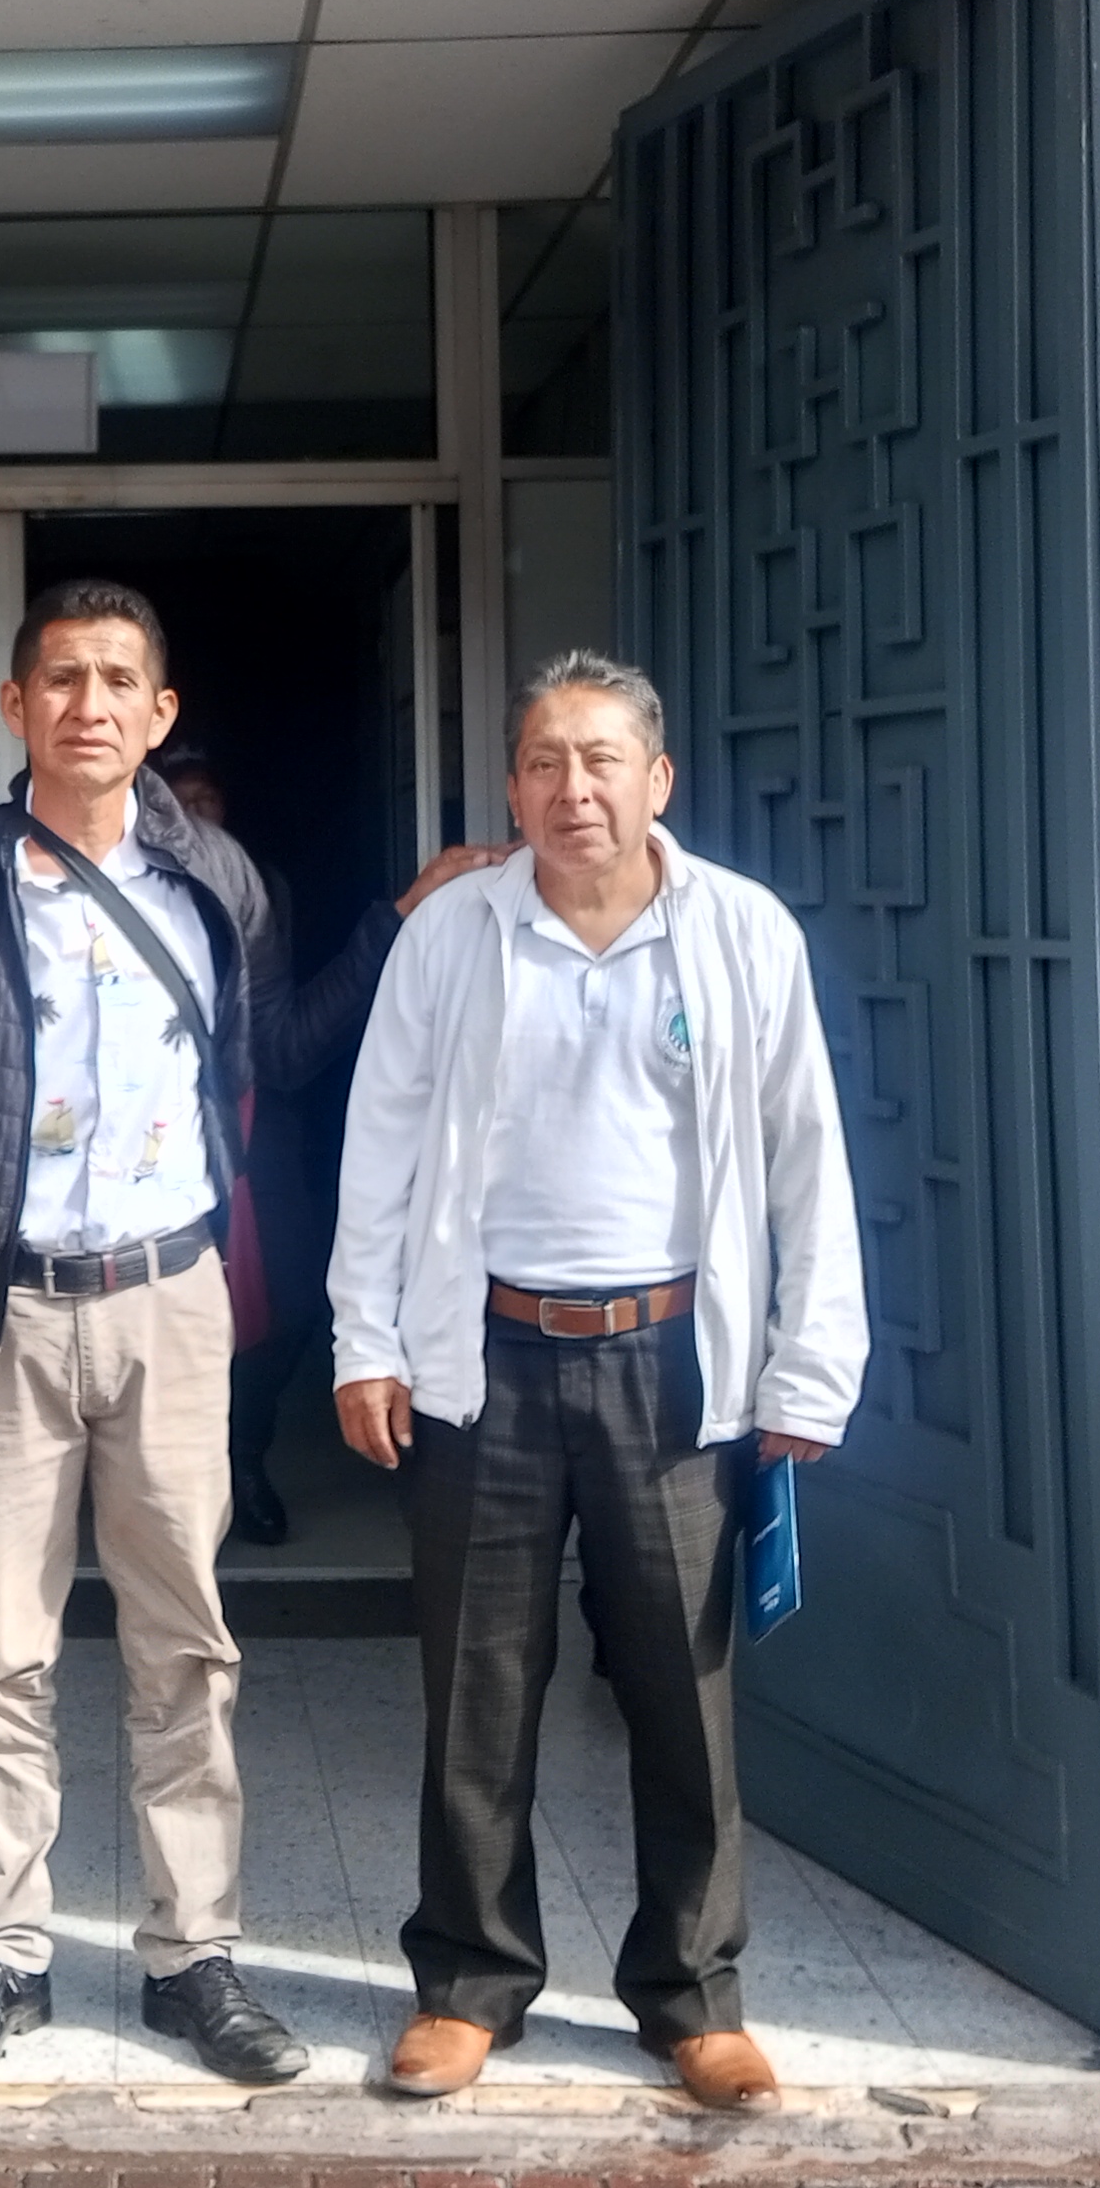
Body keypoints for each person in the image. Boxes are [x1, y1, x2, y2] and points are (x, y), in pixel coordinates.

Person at [325, 649, 867, 2109]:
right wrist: (365, 1340)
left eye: (602, 759)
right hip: (486, 1358)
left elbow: (807, 1153)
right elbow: (379, 1141)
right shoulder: (453, 936)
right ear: (512, 788)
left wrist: (809, 1365)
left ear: (656, 779)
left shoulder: (738, 931)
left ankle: (691, 1996)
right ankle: (468, 1984)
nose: (574, 789)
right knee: (476, 1690)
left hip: (672, 1365)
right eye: (545, 762)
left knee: (682, 1692)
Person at [0, 580, 309, 2089]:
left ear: (160, 714)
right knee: (1, 1657)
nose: (88, 704)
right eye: (61, 678)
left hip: (170, 1305)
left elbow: (275, 1056)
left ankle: (193, 1957)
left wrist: (399, 928)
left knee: (185, 1648)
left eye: (116, 680)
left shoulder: (216, 878)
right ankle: (0, 1960)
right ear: (16, 705)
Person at [155, 743, 497, 1542]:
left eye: (209, 803)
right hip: (139, 1153)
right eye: (178, 805)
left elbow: (285, 1048)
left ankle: (241, 1456)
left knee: (285, 1307)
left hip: (251, 1133)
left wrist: (399, 918)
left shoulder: (251, 887)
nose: (196, 822)